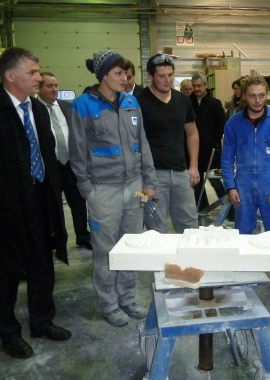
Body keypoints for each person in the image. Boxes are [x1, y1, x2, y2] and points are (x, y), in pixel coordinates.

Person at [68, 50, 157, 327]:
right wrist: (87, 190)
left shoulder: (131, 102)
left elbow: (142, 144)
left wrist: (149, 181)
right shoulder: (82, 106)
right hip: (102, 190)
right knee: (105, 251)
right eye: (118, 73)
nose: (125, 78)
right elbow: (77, 151)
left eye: (126, 74)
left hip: (133, 187)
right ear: (103, 75)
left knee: (129, 247)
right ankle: (109, 304)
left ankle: (127, 299)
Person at [0, 47, 71, 359]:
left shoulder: (39, 111)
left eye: (39, 72)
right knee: (6, 273)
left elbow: (49, 159)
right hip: (5, 208)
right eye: (32, 73)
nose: (39, 78)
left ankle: (42, 321)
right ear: (10, 76)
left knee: (43, 266)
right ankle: (10, 334)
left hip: (41, 199)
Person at [221, 75, 270, 293]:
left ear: (267, 94)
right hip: (242, 185)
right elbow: (226, 157)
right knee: (243, 231)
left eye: (262, 95)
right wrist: (230, 187)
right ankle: (243, 271)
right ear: (244, 96)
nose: (258, 100)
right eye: (252, 96)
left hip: (269, 185)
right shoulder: (233, 123)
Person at [136, 54, 199, 233]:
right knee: (155, 227)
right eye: (161, 76)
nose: (167, 80)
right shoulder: (138, 102)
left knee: (190, 225)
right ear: (150, 76)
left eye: (170, 75)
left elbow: (192, 133)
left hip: (180, 173)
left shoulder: (183, 100)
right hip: (151, 177)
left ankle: (188, 261)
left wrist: (193, 166)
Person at [38, 71, 92, 251]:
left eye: (56, 86)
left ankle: (83, 235)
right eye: (49, 86)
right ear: (39, 88)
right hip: (50, 166)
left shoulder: (67, 107)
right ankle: (58, 240)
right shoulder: (34, 110)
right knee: (54, 206)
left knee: (78, 201)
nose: (54, 90)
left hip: (70, 164)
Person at [190, 73, 228, 211]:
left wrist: (213, 140)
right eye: (194, 86)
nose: (196, 88)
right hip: (193, 152)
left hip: (212, 150)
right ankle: (203, 209)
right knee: (196, 182)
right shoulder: (188, 102)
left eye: (199, 85)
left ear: (206, 86)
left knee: (215, 180)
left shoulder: (215, 104)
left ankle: (228, 208)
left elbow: (222, 125)